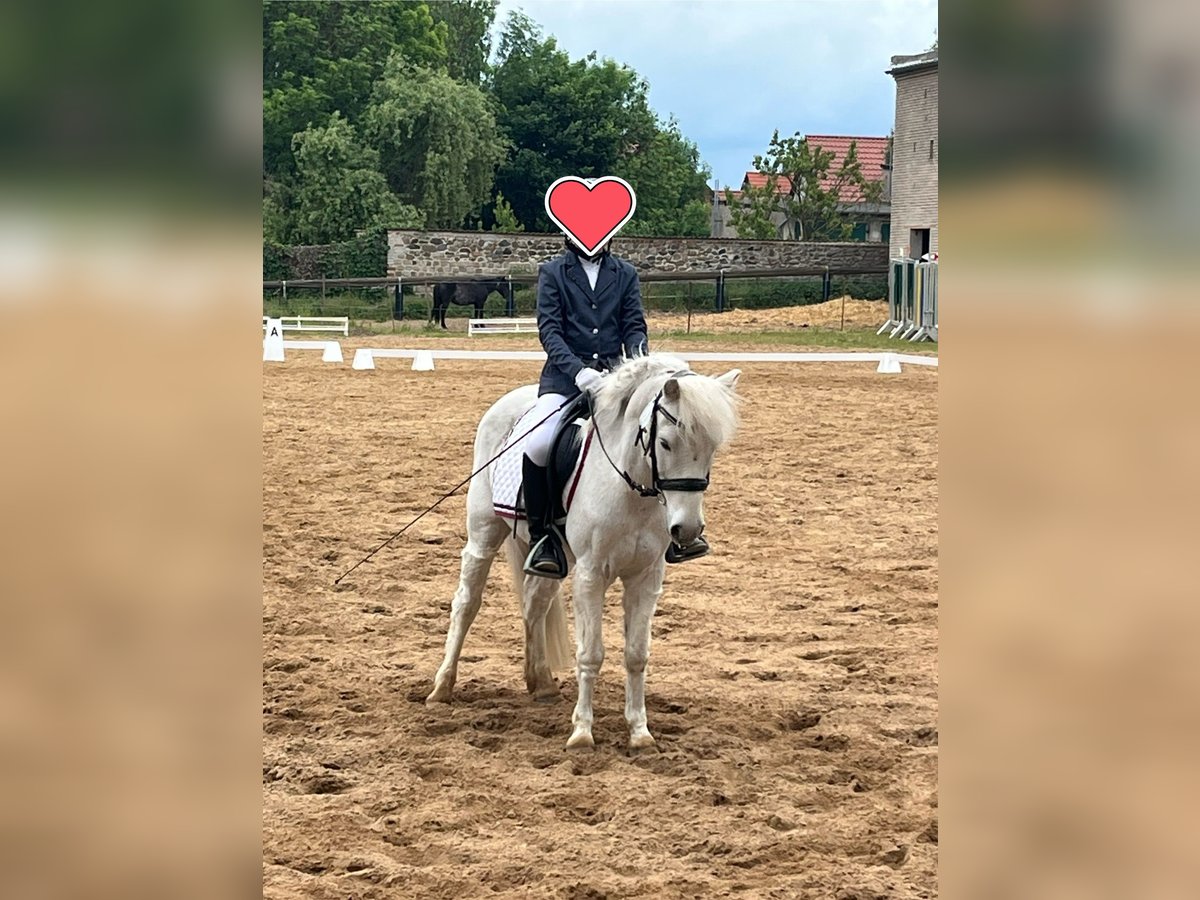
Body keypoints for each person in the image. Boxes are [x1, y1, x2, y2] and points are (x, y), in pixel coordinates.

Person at [521, 234, 711, 578]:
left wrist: (637, 367)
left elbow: (634, 326)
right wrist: (578, 371)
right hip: (564, 382)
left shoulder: (624, 273)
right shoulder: (553, 272)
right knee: (539, 443)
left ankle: (673, 528)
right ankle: (543, 536)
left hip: (618, 383)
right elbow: (550, 332)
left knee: (658, 438)